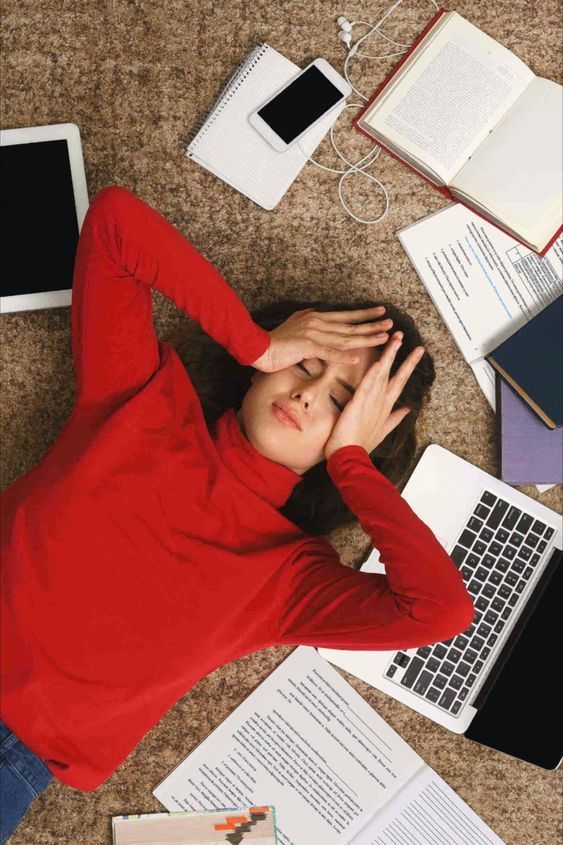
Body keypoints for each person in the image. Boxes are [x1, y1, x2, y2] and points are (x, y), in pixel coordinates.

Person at [0, 186, 474, 843]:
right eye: (305, 363)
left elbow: (438, 611)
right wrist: (253, 340)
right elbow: (113, 224)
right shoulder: (141, 394)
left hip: (12, 754)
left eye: (339, 401)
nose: (306, 392)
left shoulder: (289, 579)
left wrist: (352, 464)